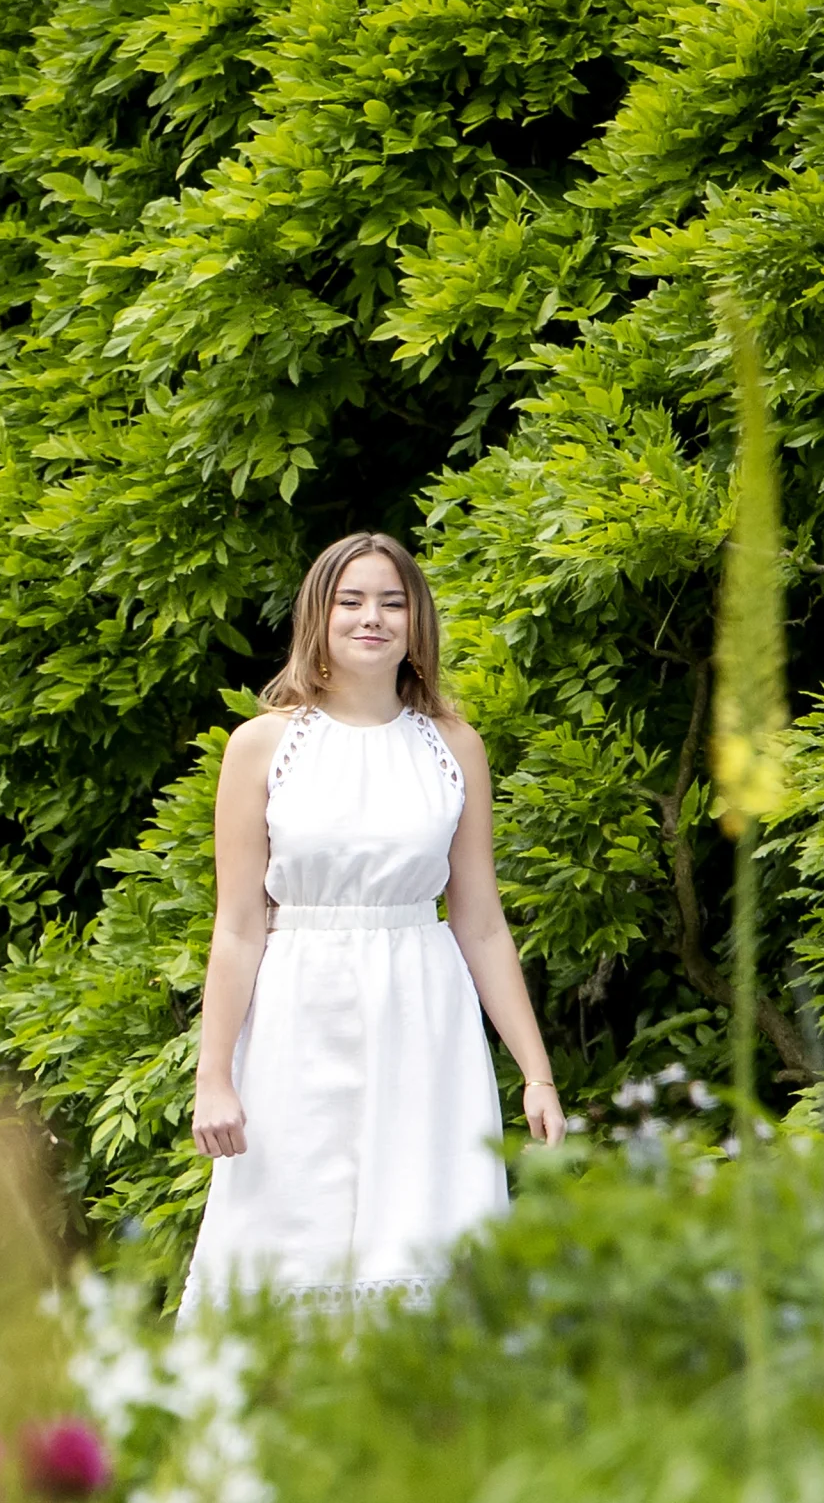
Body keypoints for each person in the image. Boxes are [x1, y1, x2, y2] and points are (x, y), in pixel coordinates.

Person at [183, 531, 560, 1311]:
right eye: (351, 601)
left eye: (391, 601)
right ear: (318, 617)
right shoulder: (262, 746)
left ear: (416, 620)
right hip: (298, 1012)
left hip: (423, 1015)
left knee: (424, 1231)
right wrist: (214, 1074)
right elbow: (238, 926)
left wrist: (536, 1071)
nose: (372, 618)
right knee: (287, 1235)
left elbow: (481, 921)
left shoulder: (455, 745)